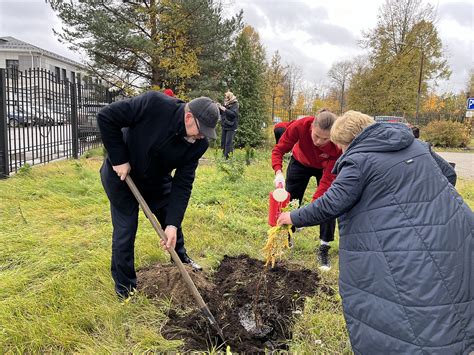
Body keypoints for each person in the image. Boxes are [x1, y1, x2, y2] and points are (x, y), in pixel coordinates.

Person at [278, 111, 473, 354]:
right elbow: (449, 175)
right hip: (452, 230)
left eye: (340, 146)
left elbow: (332, 204)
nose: (341, 152)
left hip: (402, 246)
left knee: (408, 309)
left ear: (349, 142)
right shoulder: (416, 145)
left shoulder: (359, 161)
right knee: (453, 295)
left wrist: (292, 217)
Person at [98, 91, 220, 300]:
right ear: (189, 116)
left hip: (156, 179)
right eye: (201, 131)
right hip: (122, 175)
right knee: (125, 229)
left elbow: (183, 184)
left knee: (171, 221)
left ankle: (182, 262)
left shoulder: (199, 144)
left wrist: (171, 224)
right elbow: (107, 117)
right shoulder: (155, 105)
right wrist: (119, 159)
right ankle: (125, 288)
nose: (202, 136)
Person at [272, 110, 342, 270]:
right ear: (312, 126)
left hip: (324, 168)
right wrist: (278, 171)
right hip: (300, 161)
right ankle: (287, 236)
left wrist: (311, 211)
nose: (318, 142)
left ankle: (324, 246)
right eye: (316, 136)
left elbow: (325, 185)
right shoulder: (300, 126)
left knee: (327, 203)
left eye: (325, 139)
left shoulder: (337, 145)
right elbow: (279, 149)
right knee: (291, 200)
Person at [218, 91, 239, 159]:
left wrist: (224, 109)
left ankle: (228, 158)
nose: (225, 99)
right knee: (223, 142)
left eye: (226, 97)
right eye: (225, 97)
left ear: (229, 98)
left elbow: (233, 114)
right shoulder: (226, 104)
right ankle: (223, 157)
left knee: (228, 143)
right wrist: (219, 107)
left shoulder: (235, 104)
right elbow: (223, 113)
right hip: (225, 125)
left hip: (231, 126)